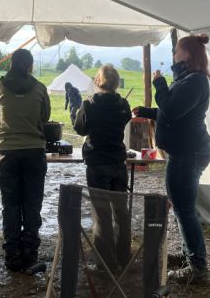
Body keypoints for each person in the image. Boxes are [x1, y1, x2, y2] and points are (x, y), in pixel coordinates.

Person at [133, 34, 210, 284]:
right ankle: (192, 256)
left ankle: (197, 267)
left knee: (184, 209)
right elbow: (171, 109)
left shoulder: (195, 81)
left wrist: (159, 84)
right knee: (181, 207)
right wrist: (147, 111)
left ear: (187, 54)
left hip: (189, 153)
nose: (173, 54)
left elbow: (173, 110)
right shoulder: (186, 80)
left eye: (176, 50)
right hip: (184, 153)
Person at [0, 49, 51, 272]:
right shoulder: (40, 88)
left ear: (11, 64)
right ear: (30, 66)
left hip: (6, 153)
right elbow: (45, 117)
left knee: (10, 206)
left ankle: (11, 256)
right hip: (34, 152)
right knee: (32, 205)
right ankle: (29, 255)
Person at [74, 64, 132, 272]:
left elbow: (80, 129)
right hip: (118, 162)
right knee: (121, 213)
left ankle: (106, 264)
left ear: (98, 81)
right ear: (116, 83)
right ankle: (124, 257)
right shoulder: (123, 104)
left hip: (97, 163)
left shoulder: (89, 104)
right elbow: (125, 119)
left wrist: (77, 111)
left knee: (102, 214)